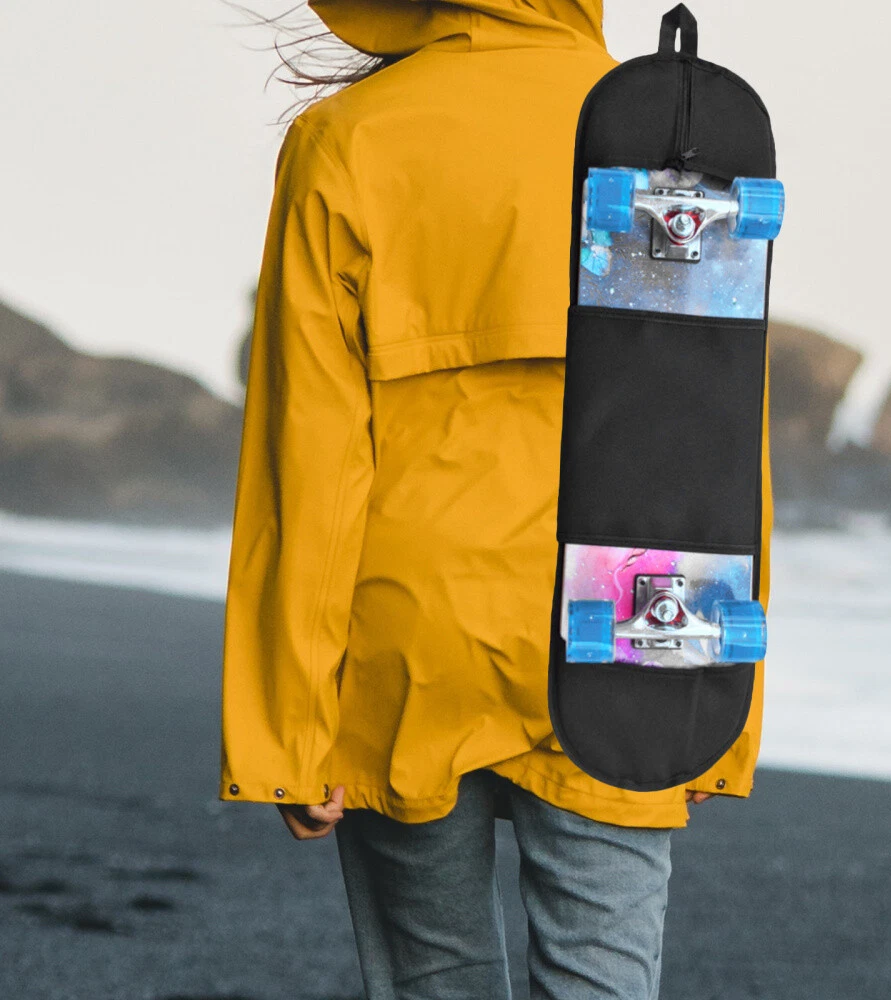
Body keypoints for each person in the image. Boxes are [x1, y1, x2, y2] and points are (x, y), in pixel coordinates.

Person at [219, 1, 770, 997]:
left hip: (411, 622)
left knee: (435, 979)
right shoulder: (669, 132)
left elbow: (308, 453)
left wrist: (289, 727)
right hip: (629, 605)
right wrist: (719, 702)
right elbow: (718, 429)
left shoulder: (349, 136)